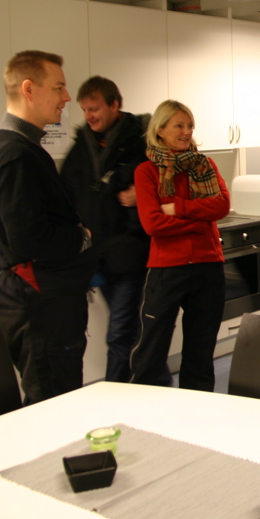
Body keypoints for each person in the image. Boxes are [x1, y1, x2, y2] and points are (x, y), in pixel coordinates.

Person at [0, 50, 97, 404]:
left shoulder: (13, 145)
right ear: (29, 89)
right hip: (39, 304)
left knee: (55, 397)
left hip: (44, 300)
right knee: (52, 404)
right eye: (58, 87)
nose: (67, 97)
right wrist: (81, 236)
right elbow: (30, 239)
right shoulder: (14, 153)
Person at [129, 99, 231, 392]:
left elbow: (222, 205)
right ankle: (141, 409)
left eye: (190, 126)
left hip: (207, 267)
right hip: (167, 269)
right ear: (160, 130)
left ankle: (197, 411)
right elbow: (153, 224)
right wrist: (199, 222)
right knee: (150, 353)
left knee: (201, 355)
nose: (187, 132)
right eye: (179, 126)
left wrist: (177, 208)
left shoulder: (205, 165)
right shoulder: (146, 172)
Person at [61, 76, 155, 383]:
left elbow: (170, 180)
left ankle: (116, 391)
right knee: (127, 330)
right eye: (85, 110)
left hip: (130, 253)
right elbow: (67, 193)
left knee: (120, 332)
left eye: (95, 108)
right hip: (97, 257)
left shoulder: (141, 141)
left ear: (115, 105)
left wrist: (145, 193)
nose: (89, 116)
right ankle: (156, 381)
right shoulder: (82, 147)